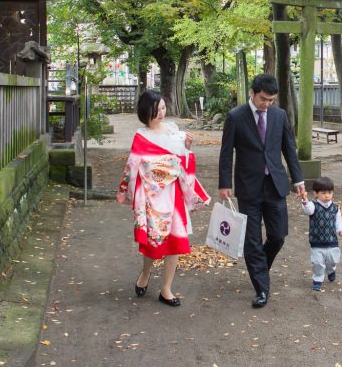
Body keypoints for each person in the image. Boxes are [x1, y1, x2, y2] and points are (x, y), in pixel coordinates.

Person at [219, 74, 306, 308]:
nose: (267, 104)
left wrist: (298, 180)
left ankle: (260, 269)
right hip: (249, 188)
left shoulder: (279, 116)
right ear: (252, 92)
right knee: (252, 240)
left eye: (271, 100)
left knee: (278, 236)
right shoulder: (235, 117)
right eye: (264, 99)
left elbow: (289, 149)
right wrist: (224, 183)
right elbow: (226, 153)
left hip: (275, 184)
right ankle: (262, 289)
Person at [117, 89, 210, 307]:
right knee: (154, 238)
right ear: (145, 111)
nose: (161, 113)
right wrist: (133, 195)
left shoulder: (173, 131)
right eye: (156, 109)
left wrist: (187, 148)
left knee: (176, 238)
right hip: (151, 195)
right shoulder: (141, 137)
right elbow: (133, 169)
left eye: (163, 108)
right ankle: (146, 272)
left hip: (172, 192)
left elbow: (182, 162)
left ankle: (166, 288)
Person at [300, 176, 342, 291]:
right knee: (317, 263)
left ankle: (331, 270)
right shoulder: (313, 206)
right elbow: (308, 210)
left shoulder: (335, 208)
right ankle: (317, 279)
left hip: (332, 241)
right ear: (316, 193)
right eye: (323, 193)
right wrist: (305, 200)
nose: (327, 195)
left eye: (330, 192)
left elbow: (338, 221)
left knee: (332, 260)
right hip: (317, 242)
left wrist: (341, 231)